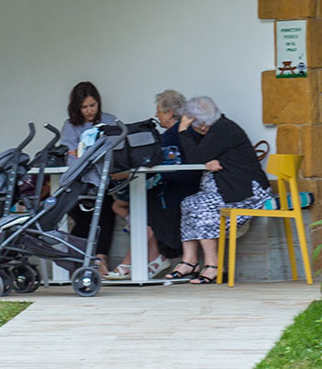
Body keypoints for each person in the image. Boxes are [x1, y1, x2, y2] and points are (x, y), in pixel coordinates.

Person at [169, 96, 271, 285]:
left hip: (248, 193)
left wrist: (182, 130)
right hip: (228, 191)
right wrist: (206, 160)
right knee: (188, 203)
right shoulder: (216, 129)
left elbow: (195, 157)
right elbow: (203, 156)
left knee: (199, 206)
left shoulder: (223, 129)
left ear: (200, 123)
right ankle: (190, 260)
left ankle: (214, 266)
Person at [108, 89, 200, 278]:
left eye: (158, 111)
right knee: (125, 204)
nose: (156, 115)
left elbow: (160, 167)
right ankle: (154, 257)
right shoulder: (185, 131)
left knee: (144, 210)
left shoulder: (169, 137)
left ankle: (129, 262)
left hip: (176, 192)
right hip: (184, 187)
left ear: (168, 113)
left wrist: (125, 175)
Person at [60, 81, 119, 272]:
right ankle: (82, 259)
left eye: (92, 105)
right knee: (85, 218)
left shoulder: (110, 121)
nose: (89, 111)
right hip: (78, 183)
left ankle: (98, 259)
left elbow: (118, 149)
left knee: (105, 212)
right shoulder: (70, 126)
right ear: (76, 107)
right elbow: (70, 156)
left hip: (104, 181)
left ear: (98, 103)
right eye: (84, 107)